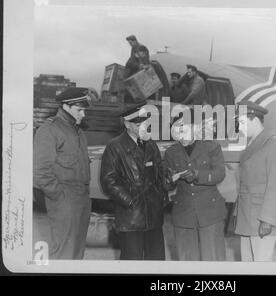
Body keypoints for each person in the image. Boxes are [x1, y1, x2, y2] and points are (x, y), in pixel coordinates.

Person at [100, 102, 167, 260]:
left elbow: (159, 175)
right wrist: (130, 202)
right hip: (131, 217)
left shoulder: (151, 145)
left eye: (146, 123)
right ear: (127, 124)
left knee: (156, 261)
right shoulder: (114, 147)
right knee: (132, 260)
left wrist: (160, 197)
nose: (145, 127)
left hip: (153, 215)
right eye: (140, 124)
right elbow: (108, 181)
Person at [33, 87, 92, 259]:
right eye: (79, 110)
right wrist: (59, 196)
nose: (83, 115)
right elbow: (40, 171)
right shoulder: (49, 129)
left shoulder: (79, 131)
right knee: (64, 253)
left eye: (84, 110)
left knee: (77, 252)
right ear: (66, 106)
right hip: (64, 200)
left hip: (82, 198)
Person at [233, 100, 276, 261]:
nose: (240, 127)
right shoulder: (253, 145)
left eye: (243, 122)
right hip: (248, 218)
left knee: (261, 264)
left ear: (255, 119)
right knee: (248, 264)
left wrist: (268, 220)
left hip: (262, 220)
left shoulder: (273, 145)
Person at [164, 119, 227, 261]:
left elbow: (219, 174)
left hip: (210, 211)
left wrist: (197, 175)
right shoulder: (171, 153)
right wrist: (168, 180)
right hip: (183, 213)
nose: (181, 137)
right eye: (177, 133)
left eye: (184, 132)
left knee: (213, 260)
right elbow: (167, 186)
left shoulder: (211, 147)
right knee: (187, 261)